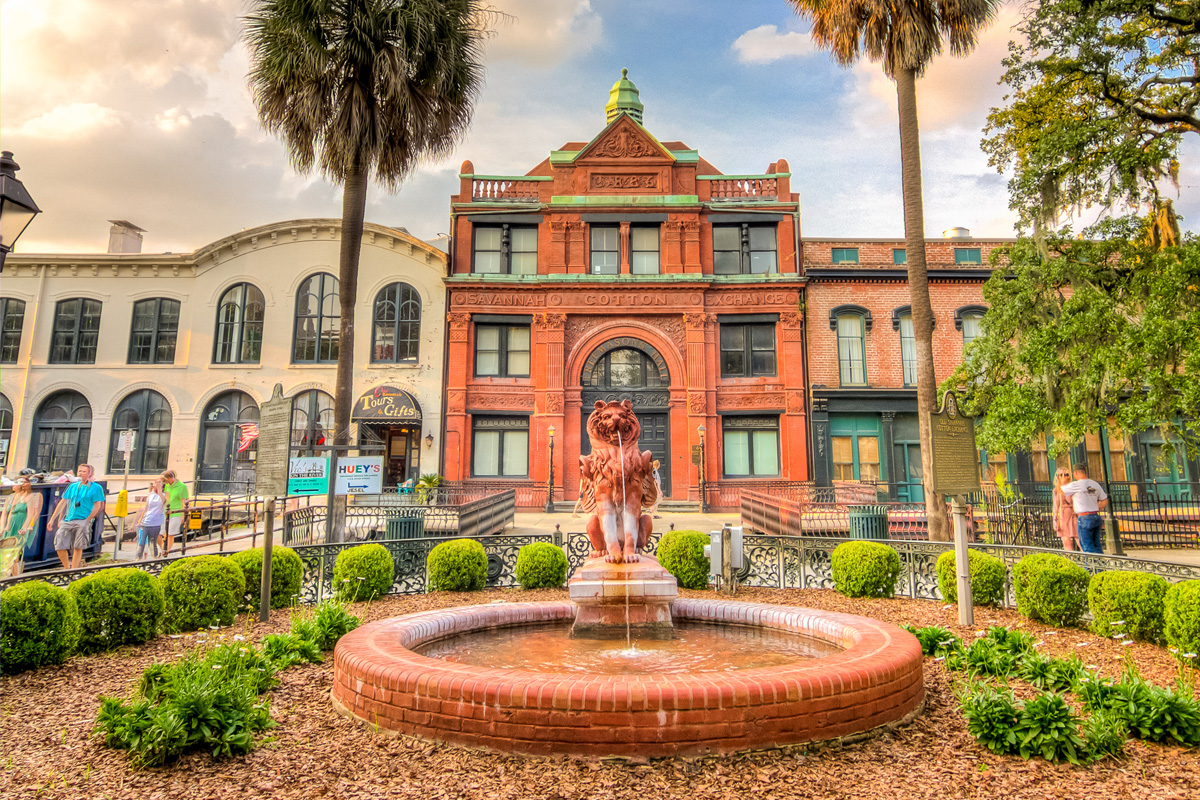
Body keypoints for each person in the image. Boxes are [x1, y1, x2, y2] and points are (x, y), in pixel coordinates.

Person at [46, 463, 105, 569]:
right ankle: (66, 567)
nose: (81, 473)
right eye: (80, 471)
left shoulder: (96, 488)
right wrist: (52, 519)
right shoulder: (72, 486)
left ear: (90, 474)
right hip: (69, 519)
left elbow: (98, 506)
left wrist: (88, 519)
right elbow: (62, 502)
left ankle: (74, 569)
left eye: (84, 471)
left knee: (78, 546)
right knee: (59, 544)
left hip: (83, 519)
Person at [1060, 463, 1109, 554]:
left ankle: (1089, 567)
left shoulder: (1077, 484)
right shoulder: (1095, 484)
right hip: (1095, 516)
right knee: (1096, 545)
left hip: (1084, 517)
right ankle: (1099, 567)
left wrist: (1063, 481)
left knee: (1087, 545)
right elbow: (1105, 500)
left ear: (1076, 472)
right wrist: (1097, 508)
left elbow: (1061, 490)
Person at [1, 475, 43, 575]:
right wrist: (2, 528)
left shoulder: (29, 497)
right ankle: (7, 576)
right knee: (4, 552)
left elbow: (31, 515)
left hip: (20, 527)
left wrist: (25, 527)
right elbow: (4, 514)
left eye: (16, 483)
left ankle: (15, 577)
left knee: (15, 554)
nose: (13, 485)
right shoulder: (10, 497)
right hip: (9, 527)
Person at [131, 479, 166, 560]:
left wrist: (160, 490)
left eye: (159, 483)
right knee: (141, 541)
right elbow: (146, 508)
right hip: (146, 521)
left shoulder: (164, 494)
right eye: (156, 483)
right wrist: (140, 519)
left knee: (152, 542)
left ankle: (155, 558)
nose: (157, 484)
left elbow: (163, 501)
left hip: (156, 522)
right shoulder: (150, 495)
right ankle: (138, 559)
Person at [160, 470, 189, 557]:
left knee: (170, 534)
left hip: (176, 512)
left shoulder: (182, 486)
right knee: (161, 533)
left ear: (170, 478)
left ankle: (166, 552)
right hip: (166, 512)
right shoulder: (167, 486)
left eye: (165, 481)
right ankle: (164, 550)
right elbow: (166, 499)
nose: (164, 483)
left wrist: (183, 515)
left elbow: (184, 501)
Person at [1052, 467, 1078, 551]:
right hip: (1063, 516)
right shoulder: (1056, 490)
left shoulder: (1073, 487)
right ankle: (1070, 560)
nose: (1064, 477)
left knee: (1079, 539)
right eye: (1061, 475)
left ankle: (1088, 560)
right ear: (1057, 477)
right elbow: (1055, 506)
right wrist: (1055, 521)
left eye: (1066, 474)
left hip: (1073, 515)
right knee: (1066, 541)